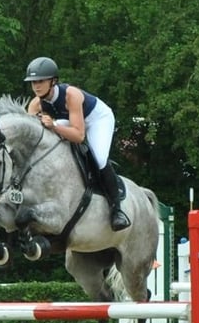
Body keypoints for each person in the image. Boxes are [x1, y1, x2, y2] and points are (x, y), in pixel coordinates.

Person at [24, 56, 131, 231]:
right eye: (33, 82)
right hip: (69, 122)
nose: (36, 86)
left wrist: (54, 125)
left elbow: (79, 135)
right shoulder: (35, 104)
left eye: (40, 81)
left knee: (100, 158)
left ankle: (116, 209)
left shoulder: (71, 95)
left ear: (53, 81)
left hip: (97, 119)